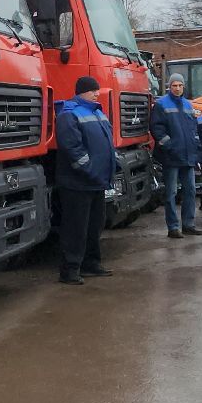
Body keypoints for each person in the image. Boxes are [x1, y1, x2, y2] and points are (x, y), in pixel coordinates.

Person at [53, 75, 116, 285]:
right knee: (76, 228)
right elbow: (72, 148)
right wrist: (89, 169)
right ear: (82, 92)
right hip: (77, 183)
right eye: (93, 91)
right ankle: (70, 270)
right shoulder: (68, 114)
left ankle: (91, 264)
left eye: (97, 90)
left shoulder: (97, 112)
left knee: (94, 225)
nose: (97, 93)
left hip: (96, 181)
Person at [151, 74, 202, 239]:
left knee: (190, 190)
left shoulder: (188, 105)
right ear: (169, 87)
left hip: (187, 156)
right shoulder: (161, 105)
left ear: (183, 87)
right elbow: (157, 129)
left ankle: (188, 225)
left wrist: (195, 143)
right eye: (174, 85)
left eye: (180, 85)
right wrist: (169, 146)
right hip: (171, 157)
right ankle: (173, 227)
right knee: (171, 193)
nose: (178, 88)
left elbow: (193, 127)